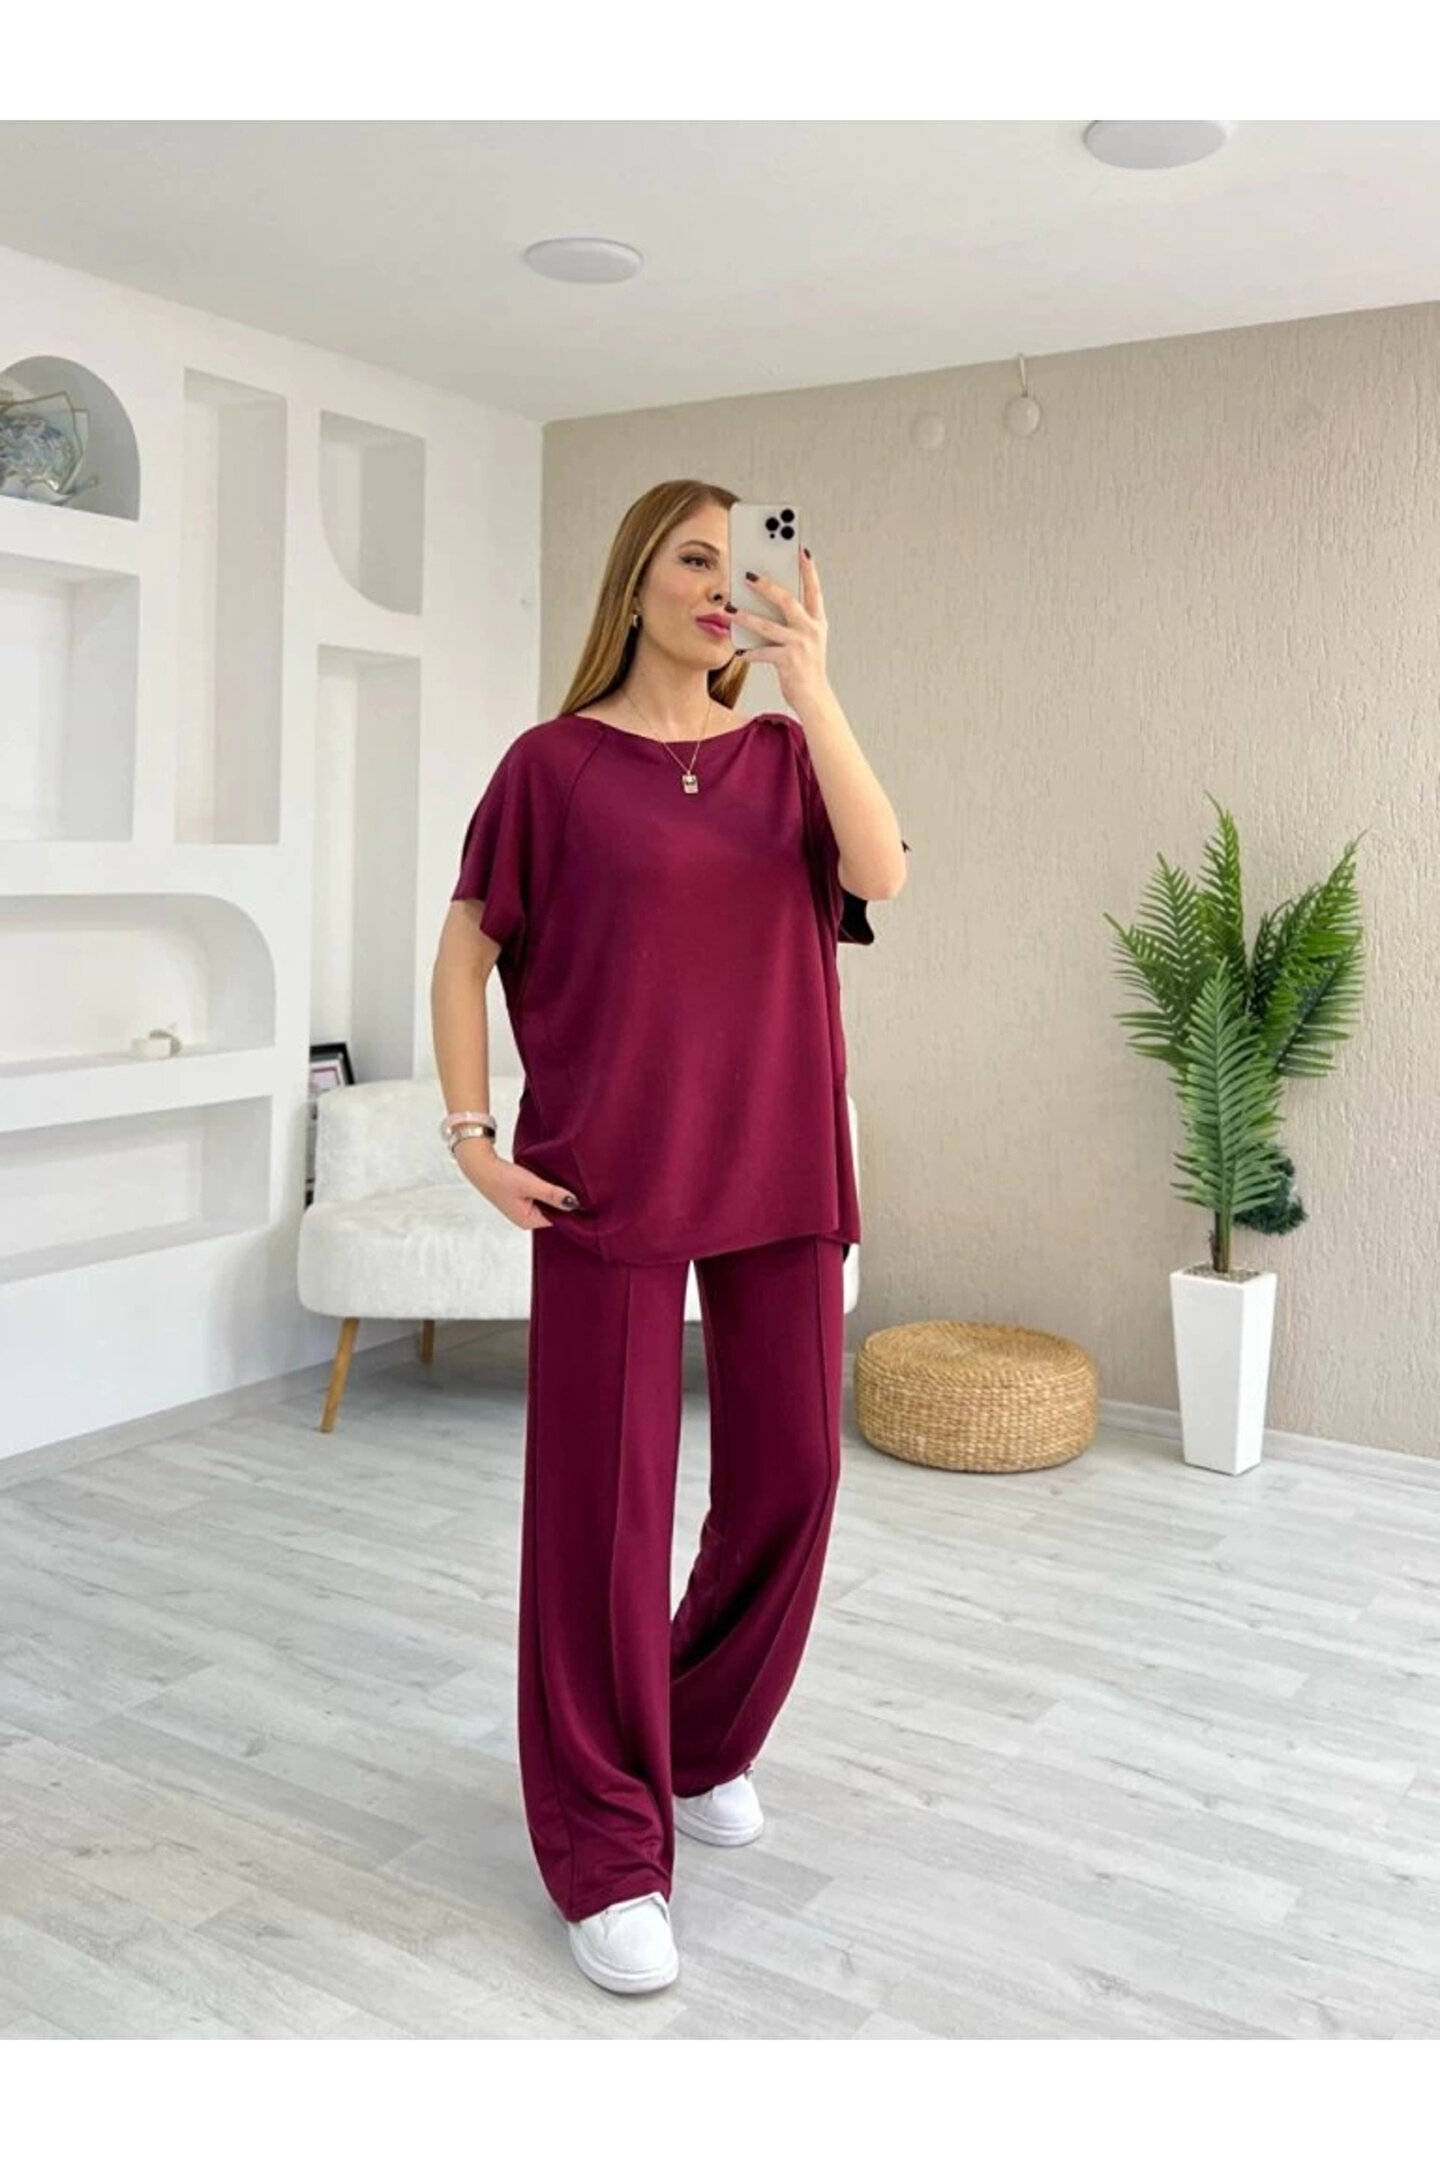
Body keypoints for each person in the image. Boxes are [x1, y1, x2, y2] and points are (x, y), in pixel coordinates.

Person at [429, 479, 908, 1996]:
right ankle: (605, 1849)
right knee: (605, 1522)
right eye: (693, 559)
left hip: (780, 1164)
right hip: (607, 1180)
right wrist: (471, 1141)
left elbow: (883, 872)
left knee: (796, 1475)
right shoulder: (551, 766)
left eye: (740, 564)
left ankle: (697, 1741)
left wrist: (813, 684)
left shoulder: (785, 758)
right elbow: (464, 951)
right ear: (634, 579)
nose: (720, 586)